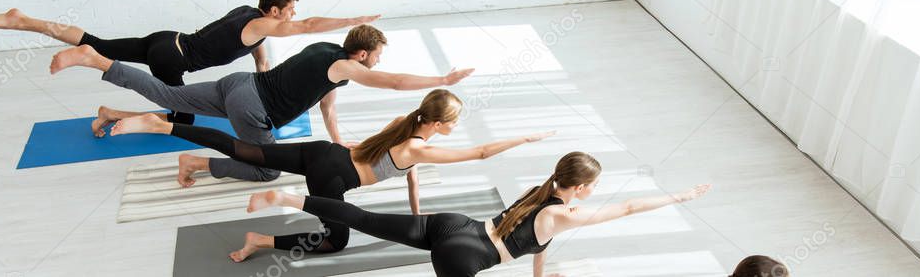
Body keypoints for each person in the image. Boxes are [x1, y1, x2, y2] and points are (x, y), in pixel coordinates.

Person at [109, 89, 554, 253]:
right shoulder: (422, 147)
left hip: (324, 154)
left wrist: (416, 210)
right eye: (453, 122)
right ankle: (263, 240)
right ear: (437, 124)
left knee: (246, 150)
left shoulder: (405, 125)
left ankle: (163, 124)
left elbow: (408, 173)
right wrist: (522, 138)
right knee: (336, 240)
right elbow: (477, 154)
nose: (455, 128)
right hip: (332, 179)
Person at [48, 24, 474, 181]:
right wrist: (441, 79)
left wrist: (339, 138)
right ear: (361, 54)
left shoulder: (327, 51)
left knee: (168, 94)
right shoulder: (348, 66)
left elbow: (325, 103)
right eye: (375, 56)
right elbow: (395, 81)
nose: (378, 63)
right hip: (251, 109)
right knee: (269, 168)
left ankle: (98, 59)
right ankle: (197, 163)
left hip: (238, 83)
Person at [237, 152, 711, 276]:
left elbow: (538, 247)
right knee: (365, 222)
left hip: (456, 224)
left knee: (362, 219)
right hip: (464, 255)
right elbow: (627, 207)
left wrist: (541, 276)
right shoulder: (564, 213)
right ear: (583, 188)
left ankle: (291, 200)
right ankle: (288, 206)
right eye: (595, 187)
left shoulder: (541, 191)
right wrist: (678, 198)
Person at [0, 0, 380, 125]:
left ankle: (25, 20)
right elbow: (308, 28)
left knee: (95, 39)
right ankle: (113, 114)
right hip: (172, 59)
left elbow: (258, 51)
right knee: (181, 114)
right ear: (274, 11)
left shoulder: (252, 17)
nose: (296, 16)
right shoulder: (263, 24)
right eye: (290, 11)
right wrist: (353, 19)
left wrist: (263, 69)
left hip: (166, 39)